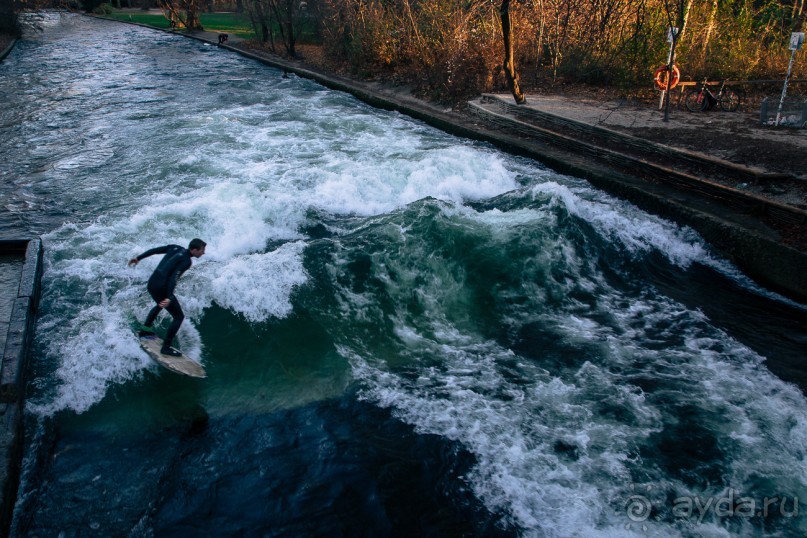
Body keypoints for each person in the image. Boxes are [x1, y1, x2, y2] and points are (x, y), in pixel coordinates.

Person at [128, 238, 207, 357]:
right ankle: (166, 347)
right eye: (202, 250)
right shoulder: (186, 261)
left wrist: (138, 258)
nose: (203, 253)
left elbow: (154, 250)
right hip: (161, 287)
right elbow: (173, 278)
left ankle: (145, 330)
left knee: (160, 305)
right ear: (194, 250)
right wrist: (169, 296)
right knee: (178, 316)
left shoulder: (175, 247)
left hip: (152, 283)